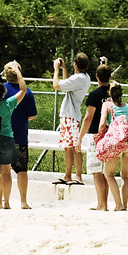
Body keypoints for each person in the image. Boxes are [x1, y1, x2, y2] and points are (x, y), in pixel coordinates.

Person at [0, 80, 27, 209]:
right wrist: (18, 73)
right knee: (6, 172)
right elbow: (23, 90)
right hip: (6, 139)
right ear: (2, 95)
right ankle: (5, 202)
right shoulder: (8, 104)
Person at [96, 82, 128, 211]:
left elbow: (102, 124)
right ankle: (124, 205)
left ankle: (118, 204)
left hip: (116, 142)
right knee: (125, 176)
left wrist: (100, 136)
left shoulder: (107, 105)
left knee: (109, 173)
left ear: (110, 93)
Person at [52, 53, 91, 185]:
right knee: (68, 146)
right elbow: (66, 86)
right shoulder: (83, 77)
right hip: (71, 115)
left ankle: (78, 176)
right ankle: (68, 175)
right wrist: (64, 70)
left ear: (75, 64)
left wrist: (56, 69)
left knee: (74, 147)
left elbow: (56, 85)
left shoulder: (78, 78)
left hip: (71, 116)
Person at [78, 62, 112, 210]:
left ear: (96, 77)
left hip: (96, 134)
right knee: (106, 171)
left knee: (96, 170)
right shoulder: (114, 93)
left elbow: (88, 117)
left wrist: (80, 137)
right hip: (111, 134)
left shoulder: (94, 95)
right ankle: (105, 203)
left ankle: (101, 204)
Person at [3, 61, 35, 210]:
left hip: (3, 136)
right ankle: (23, 201)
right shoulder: (26, 92)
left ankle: (3, 201)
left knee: (2, 170)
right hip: (20, 135)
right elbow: (32, 115)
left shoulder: (0, 89)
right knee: (21, 170)